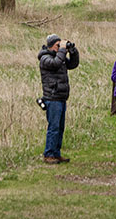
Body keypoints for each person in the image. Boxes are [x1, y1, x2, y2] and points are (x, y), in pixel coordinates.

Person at [37, 33, 80, 164]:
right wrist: (62, 50)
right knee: (53, 127)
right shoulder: (45, 58)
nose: (60, 47)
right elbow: (55, 64)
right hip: (52, 97)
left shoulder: (59, 57)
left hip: (61, 96)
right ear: (51, 46)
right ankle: (48, 154)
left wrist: (73, 51)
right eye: (58, 45)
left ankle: (56, 153)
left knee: (60, 128)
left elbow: (73, 64)